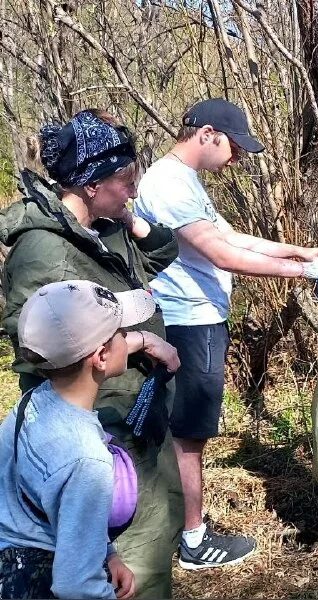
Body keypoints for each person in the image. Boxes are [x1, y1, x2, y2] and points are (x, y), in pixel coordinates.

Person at [134, 98, 318, 569]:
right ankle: (193, 540)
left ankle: (170, 525)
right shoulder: (167, 183)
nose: (236, 158)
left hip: (199, 319)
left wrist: (299, 251)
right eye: (234, 147)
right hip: (189, 320)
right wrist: (303, 274)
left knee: (183, 428)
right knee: (189, 432)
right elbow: (222, 255)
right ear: (207, 134)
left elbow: (232, 239)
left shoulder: (185, 181)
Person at [0, 110, 184, 598]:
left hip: (136, 409)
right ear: (90, 184)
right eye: (125, 181)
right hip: (105, 421)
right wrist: (140, 341)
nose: (134, 190)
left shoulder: (106, 226)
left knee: (156, 527)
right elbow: (40, 348)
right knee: (135, 553)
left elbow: (162, 254)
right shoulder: (44, 252)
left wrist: (130, 220)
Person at [0, 280, 156, 599]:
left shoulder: (35, 401)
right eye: (121, 332)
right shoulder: (87, 459)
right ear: (101, 356)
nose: (126, 337)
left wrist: (107, 553)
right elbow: (76, 585)